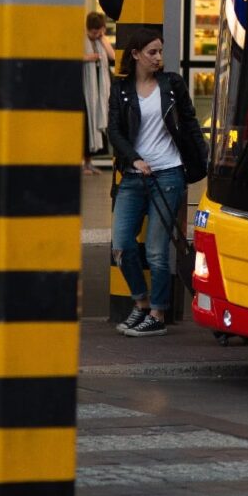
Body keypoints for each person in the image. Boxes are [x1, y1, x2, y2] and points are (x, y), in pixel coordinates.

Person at [106, 27, 207, 338]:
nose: (158, 58)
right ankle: (141, 302)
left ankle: (158, 313)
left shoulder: (172, 84)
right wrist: (133, 158)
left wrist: (201, 161)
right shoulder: (121, 88)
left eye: (160, 51)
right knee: (122, 246)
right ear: (135, 54)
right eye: (152, 52)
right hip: (134, 177)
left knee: (156, 250)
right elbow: (114, 131)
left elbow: (189, 123)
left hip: (168, 175)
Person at [82, 12, 114, 175]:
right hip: (86, 88)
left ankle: (89, 162)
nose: (96, 35)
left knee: (96, 121)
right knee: (85, 124)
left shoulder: (101, 40)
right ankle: (83, 162)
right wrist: (87, 58)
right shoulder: (81, 40)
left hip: (99, 88)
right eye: (94, 32)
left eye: (99, 31)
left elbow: (113, 56)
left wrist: (102, 38)